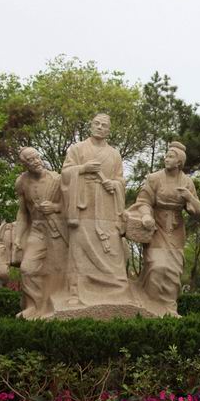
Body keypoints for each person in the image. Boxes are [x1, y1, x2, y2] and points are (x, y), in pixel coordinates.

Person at [61, 114, 132, 306]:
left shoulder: (114, 154)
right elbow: (65, 174)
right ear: (90, 126)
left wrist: (114, 184)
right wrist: (83, 168)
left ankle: (115, 291)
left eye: (104, 125)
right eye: (97, 124)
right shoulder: (77, 149)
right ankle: (76, 292)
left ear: (109, 130)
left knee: (112, 247)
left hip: (107, 208)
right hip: (83, 204)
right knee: (79, 247)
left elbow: (120, 179)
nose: (100, 127)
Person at [127, 142, 200, 315]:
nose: (166, 159)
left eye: (170, 157)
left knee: (173, 270)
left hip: (176, 229)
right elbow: (143, 201)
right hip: (157, 227)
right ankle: (151, 306)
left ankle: (169, 308)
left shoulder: (187, 181)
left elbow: (197, 210)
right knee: (156, 266)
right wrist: (146, 215)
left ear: (179, 162)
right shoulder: (154, 178)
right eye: (166, 156)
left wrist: (189, 197)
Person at [14, 147, 67, 318]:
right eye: (30, 160)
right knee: (27, 268)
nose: (36, 162)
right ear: (25, 164)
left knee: (58, 269)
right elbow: (23, 212)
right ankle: (34, 306)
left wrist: (54, 207)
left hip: (56, 229)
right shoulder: (22, 182)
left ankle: (56, 306)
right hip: (36, 230)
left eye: (37, 157)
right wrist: (17, 237)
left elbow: (69, 206)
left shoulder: (57, 179)